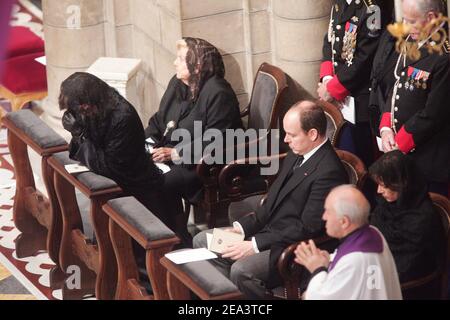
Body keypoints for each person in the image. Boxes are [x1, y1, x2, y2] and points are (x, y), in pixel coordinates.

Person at [193, 100, 348, 299]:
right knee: (201, 240)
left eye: (291, 134)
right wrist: (242, 229)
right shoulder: (297, 152)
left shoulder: (329, 172)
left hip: (288, 249)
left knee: (241, 271)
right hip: (267, 233)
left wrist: (254, 245)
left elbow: (307, 228)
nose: (286, 140)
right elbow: (272, 199)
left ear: (312, 134)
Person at [144, 37, 242, 242]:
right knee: (140, 173)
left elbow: (219, 139)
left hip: (204, 163)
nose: (175, 63)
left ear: (197, 66)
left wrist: (175, 154)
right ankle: (159, 233)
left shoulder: (218, 92)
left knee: (158, 183)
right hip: (173, 153)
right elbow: (160, 118)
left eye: (180, 59)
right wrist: (147, 143)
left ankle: (175, 237)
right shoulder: (177, 83)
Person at [369, 0, 450, 196]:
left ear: (431, 18)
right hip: (402, 152)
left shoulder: (445, 55)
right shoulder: (412, 39)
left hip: (428, 159)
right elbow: (396, 85)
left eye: (411, 20)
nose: (405, 26)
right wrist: (386, 127)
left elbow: (433, 114)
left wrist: (400, 143)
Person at [60, 72, 165, 219]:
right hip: (116, 183)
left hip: (135, 190)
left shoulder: (122, 117)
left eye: (80, 109)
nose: (79, 114)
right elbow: (89, 145)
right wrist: (79, 134)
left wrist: (79, 134)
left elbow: (109, 168)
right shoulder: (94, 109)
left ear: (88, 103)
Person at [295, 184, 402, 300]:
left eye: (328, 211)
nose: (324, 217)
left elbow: (320, 297)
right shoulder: (373, 232)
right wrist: (329, 261)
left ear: (344, 222)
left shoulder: (354, 260)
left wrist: (317, 268)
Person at [318, 0, 389, 167]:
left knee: (360, 162)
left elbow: (365, 57)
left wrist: (333, 88)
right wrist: (327, 78)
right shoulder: (341, 2)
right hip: (338, 95)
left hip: (359, 98)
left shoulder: (373, 8)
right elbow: (330, 40)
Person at [369, 150, 442, 283]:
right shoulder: (387, 204)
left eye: (384, 185)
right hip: (380, 268)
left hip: (410, 283)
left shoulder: (422, 218)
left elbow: (409, 265)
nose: (379, 191)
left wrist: (371, 274)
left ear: (401, 185)